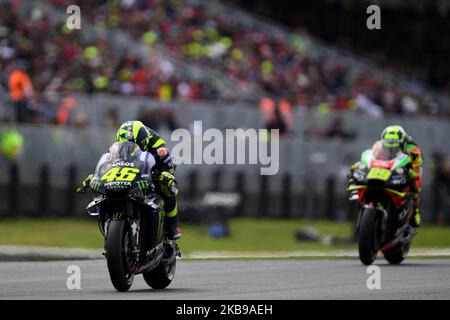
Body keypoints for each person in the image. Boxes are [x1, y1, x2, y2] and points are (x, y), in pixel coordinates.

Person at [78, 120, 181, 240]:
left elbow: (169, 166)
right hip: (129, 172)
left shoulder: (158, 146)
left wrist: (163, 175)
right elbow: (109, 164)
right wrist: (96, 176)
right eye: (125, 145)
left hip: (153, 170)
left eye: (136, 145)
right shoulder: (117, 146)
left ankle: (173, 226)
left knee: (168, 187)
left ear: (145, 142)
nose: (130, 149)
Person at [349, 125, 423, 227]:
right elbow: (373, 158)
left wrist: (411, 172)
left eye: (395, 147)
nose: (391, 149)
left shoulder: (414, 151)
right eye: (388, 146)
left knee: (417, 182)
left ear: (402, 144)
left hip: (408, 168)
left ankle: (415, 211)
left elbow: (417, 169)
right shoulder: (379, 144)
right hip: (387, 167)